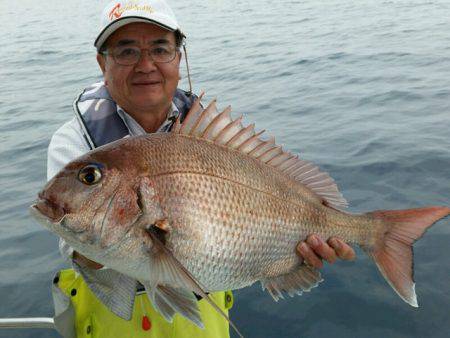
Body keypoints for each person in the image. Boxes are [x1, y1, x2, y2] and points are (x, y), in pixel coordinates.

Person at [47, 0, 355, 337]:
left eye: (160, 49)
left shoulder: (214, 140)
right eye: (127, 51)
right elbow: (78, 251)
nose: (146, 64)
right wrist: (127, 231)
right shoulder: (75, 141)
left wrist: (304, 249)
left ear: (178, 58)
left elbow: (231, 245)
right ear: (101, 63)